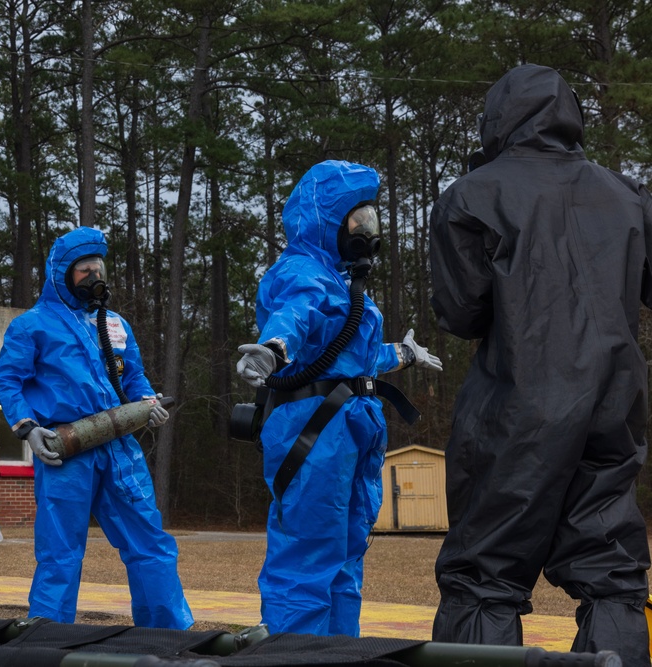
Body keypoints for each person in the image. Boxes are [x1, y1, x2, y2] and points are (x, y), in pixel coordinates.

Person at [428, 64, 651, 666]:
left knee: (484, 572)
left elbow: (461, 312)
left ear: (498, 120)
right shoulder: (628, 194)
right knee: (612, 570)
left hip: (515, 407)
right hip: (613, 403)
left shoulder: (472, 194)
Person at [236, 160, 441, 637]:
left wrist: (403, 354)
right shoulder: (301, 272)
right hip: (316, 431)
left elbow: (352, 355)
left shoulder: (349, 287)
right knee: (309, 551)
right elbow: (296, 314)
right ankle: (295, 651)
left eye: (371, 221)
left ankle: (339, 649)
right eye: (357, 222)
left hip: (353, 428)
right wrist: (274, 348)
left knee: (348, 552)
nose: (367, 232)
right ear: (327, 222)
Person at [0, 226, 193, 629]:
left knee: (150, 544)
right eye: (84, 270)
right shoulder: (31, 326)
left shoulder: (114, 325)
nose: (94, 276)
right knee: (60, 551)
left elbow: (133, 378)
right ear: (62, 274)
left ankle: (169, 635)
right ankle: (47, 639)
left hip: (119, 448)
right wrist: (27, 428)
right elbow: (6, 379)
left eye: (98, 268)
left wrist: (148, 403)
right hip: (66, 449)